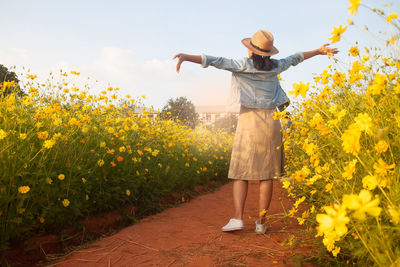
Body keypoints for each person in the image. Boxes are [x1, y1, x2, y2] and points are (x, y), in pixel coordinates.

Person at [173, 29, 338, 234]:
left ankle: (238, 219)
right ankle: (261, 223)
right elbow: (296, 58)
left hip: (249, 120)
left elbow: (215, 60)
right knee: (266, 175)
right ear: (268, 53)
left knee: (240, 172)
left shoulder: (242, 65)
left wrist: (186, 57)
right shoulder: (277, 65)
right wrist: (318, 51)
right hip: (271, 121)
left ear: (252, 50)